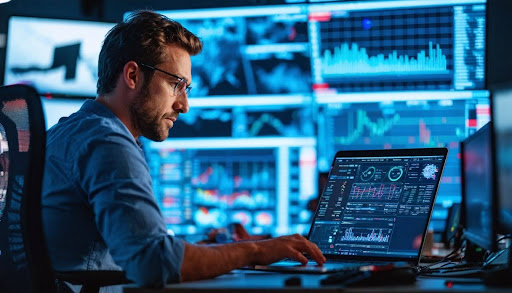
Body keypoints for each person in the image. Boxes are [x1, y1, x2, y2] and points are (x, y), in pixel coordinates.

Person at [41, 10, 325, 290]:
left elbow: (123, 248)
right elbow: (153, 264)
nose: (184, 105)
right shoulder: (109, 143)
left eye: (186, 88)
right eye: (176, 84)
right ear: (132, 75)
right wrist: (256, 251)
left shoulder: (63, 134)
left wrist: (197, 251)